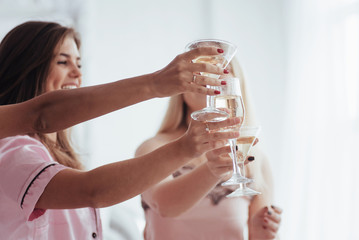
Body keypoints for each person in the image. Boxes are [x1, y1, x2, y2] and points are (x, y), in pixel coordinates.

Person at [0, 21, 240, 239]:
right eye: (63, 62)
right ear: (26, 70)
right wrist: (185, 148)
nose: (77, 73)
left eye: (79, 63)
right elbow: (94, 190)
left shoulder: (55, 156)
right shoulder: (12, 150)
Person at [136, 57, 283, 240]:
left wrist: (261, 234)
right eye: (202, 68)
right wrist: (213, 170)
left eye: (221, 69)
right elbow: (164, 206)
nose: (212, 76)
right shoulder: (153, 148)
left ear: (237, 87)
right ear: (182, 86)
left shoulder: (255, 160)